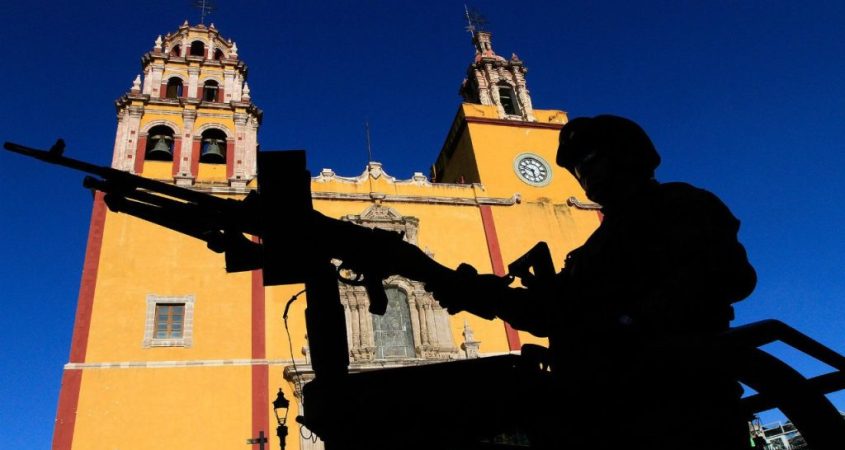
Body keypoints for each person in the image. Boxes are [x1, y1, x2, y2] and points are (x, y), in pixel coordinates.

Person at [413, 115, 757, 449]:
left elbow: (730, 274)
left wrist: (627, 324)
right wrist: (471, 289)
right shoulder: (594, 247)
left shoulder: (679, 204)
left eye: (591, 160)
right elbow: (547, 312)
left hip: (675, 395)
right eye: (578, 168)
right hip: (604, 401)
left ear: (627, 155)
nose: (585, 174)